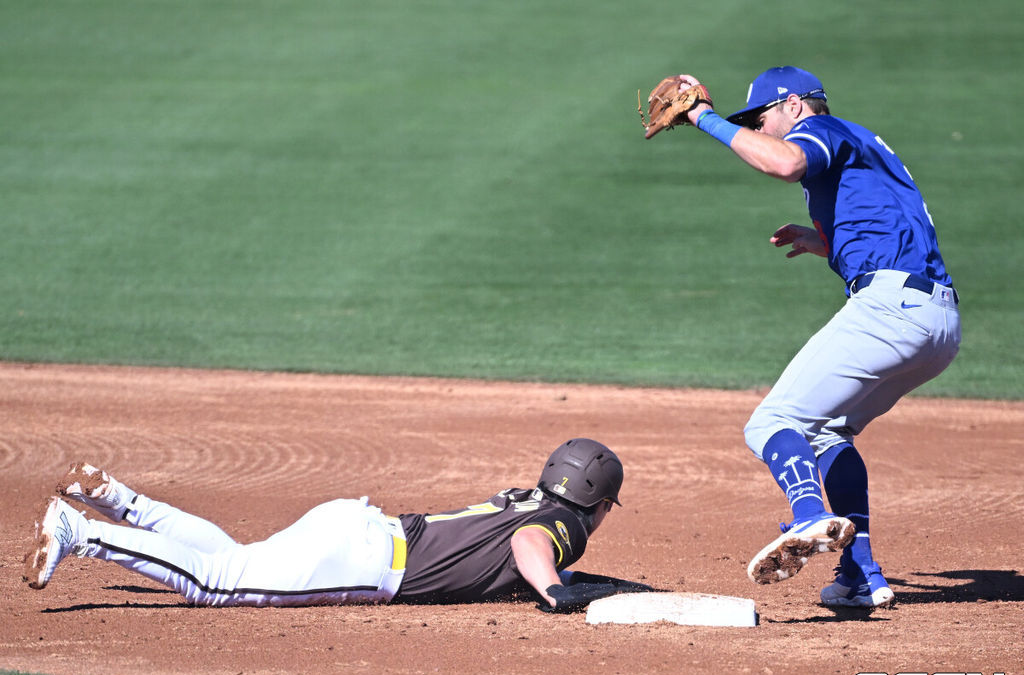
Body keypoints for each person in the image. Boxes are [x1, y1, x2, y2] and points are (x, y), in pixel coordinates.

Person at [668, 66, 961, 608]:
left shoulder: (822, 132)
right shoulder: (863, 143)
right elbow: (891, 230)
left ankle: (809, 516)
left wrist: (703, 118)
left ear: (795, 105)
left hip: (892, 311)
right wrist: (827, 242)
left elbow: (783, 162)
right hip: (936, 323)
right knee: (827, 432)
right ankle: (859, 574)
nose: (760, 128)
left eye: (762, 117)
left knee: (772, 423)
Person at [24, 438, 651, 612]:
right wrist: (557, 589)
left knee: (238, 559)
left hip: (359, 526)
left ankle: (121, 502)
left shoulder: (527, 496)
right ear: (599, 503)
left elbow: (511, 540)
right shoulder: (562, 521)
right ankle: (85, 532)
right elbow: (529, 547)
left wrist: (608, 585)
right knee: (216, 583)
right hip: (365, 563)